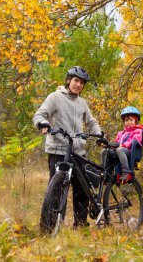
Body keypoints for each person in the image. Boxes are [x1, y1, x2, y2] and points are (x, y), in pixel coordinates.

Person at [33, 66, 102, 227]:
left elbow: (91, 122)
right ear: (69, 80)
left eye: (82, 83)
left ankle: (80, 224)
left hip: (78, 151)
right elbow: (40, 114)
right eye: (76, 81)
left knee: (81, 189)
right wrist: (42, 123)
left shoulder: (82, 103)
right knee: (56, 190)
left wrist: (98, 134)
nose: (78, 85)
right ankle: (50, 226)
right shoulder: (55, 97)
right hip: (58, 150)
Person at [101, 106, 143, 181]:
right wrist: (109, 146)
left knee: (120, 150)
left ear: (136, 121)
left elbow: (134, 140)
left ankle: (126, 171)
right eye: (126, 120)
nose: (129, 122)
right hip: (119, 150)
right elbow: (116, 143)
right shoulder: (121, 133)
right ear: (124, 122)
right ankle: (107, 171)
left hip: (130, 151)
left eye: (131, 120)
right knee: (104, 151)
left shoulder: (138, 131)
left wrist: (124, 145)